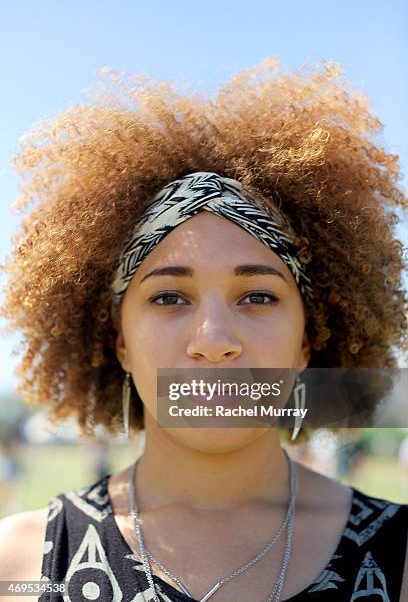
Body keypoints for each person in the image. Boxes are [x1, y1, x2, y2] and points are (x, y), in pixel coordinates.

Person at [0, 58, 407, 601]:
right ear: (119, 340)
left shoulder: (401, 561)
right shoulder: (19, 568)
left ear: (308, 339)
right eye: (169, 297)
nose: (214, 339)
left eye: (258, 296)